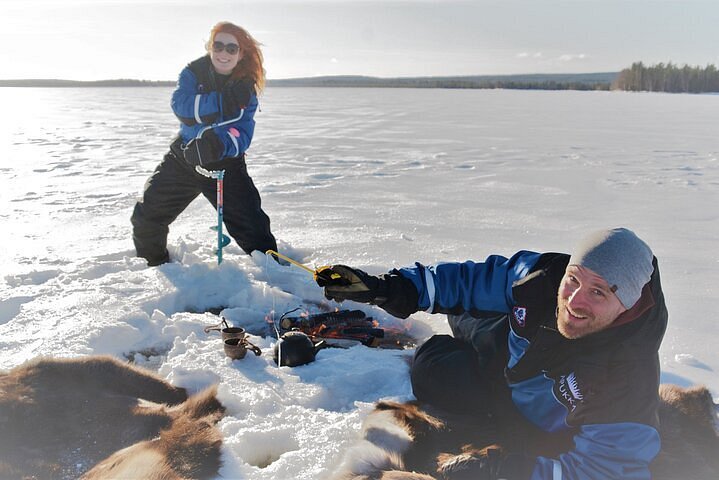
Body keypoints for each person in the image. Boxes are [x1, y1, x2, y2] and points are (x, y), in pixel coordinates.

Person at [316, 228, 668, 479]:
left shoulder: (627, 376)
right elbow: (471, 279)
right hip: (511, 347)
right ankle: (474, 324)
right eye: (573, 279)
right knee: (461, 310)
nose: (575, 301)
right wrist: (387, 288)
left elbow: (606, 472)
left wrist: (502, 468)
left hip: (528, 410)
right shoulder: (541, 277)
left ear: (628, 304)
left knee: (433, 366)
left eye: (599, 293)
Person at [131, 21, 278, 266]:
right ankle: (154, 268)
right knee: (147, 217)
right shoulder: (193, 72)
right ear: (210, 47)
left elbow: (241, 131)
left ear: (241, 54)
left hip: (224, 166)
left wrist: (217, 145)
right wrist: (221, 103)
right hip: (183, 159)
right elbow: (182, 107)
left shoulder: (245, 87)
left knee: (254, 231)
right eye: (218, 46)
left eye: (232, 48)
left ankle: (281, 277)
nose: (223, 53)